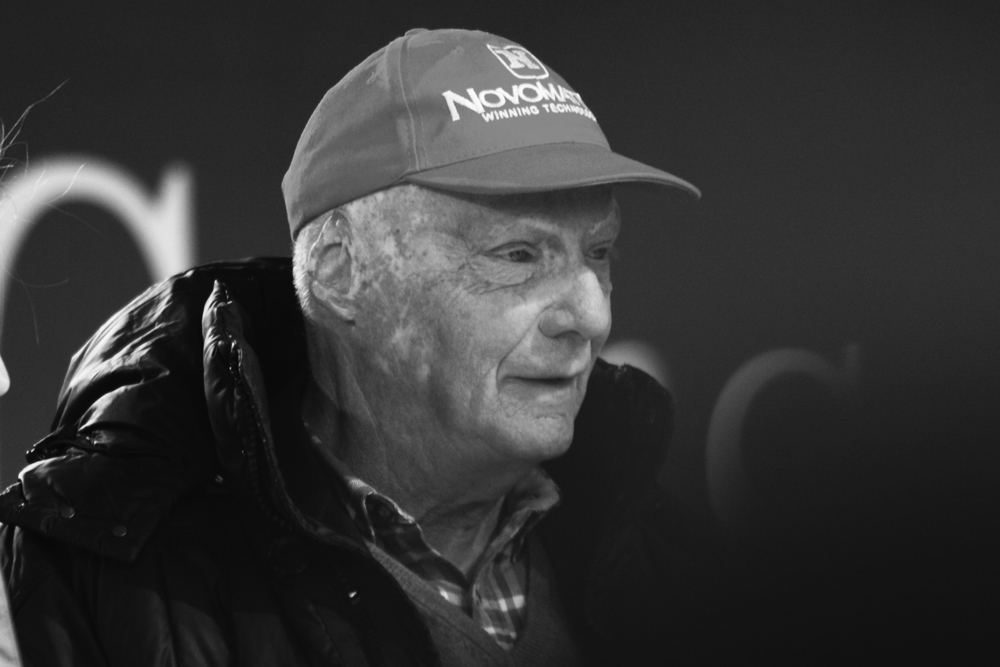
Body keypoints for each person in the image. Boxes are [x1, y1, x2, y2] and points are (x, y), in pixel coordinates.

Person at [0, 29, 725, 666]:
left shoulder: (676, 568)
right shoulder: (104, 581)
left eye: (599, 253)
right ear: (340, 270)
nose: (591, 315)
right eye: (518, 255)